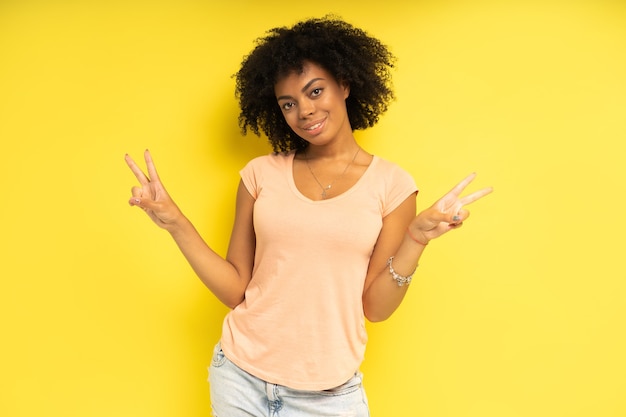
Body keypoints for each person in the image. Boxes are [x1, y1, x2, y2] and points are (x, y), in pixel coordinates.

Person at [125, 16, 492, 417]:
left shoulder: (393, 185)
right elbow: (236, 290)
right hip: (239, 378)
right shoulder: (260, 175)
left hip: (329, 396)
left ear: (345, 84)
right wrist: (173, 220)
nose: (305, 111)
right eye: (288, 103)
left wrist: (415, 240)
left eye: (315, 91)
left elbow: (376, 308)